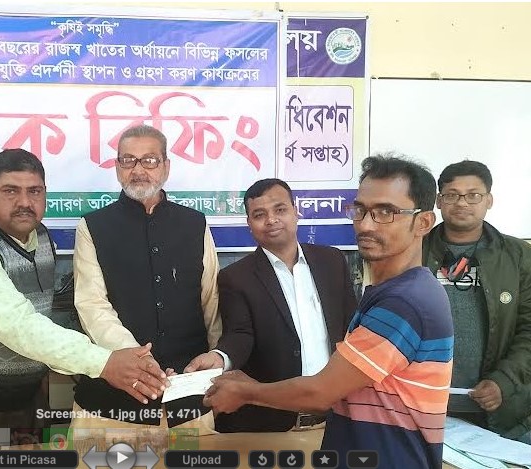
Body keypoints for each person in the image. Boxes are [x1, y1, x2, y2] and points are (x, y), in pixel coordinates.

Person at [204, 154, 454, 469]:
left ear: (424, 222)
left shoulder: (404, 302)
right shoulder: (396, 292)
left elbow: (321, 392)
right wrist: (224, 362)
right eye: (360, 210)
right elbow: (241, 334)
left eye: (385, 212)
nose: (365, 224)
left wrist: (246, 392)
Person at [0, 148, 167, 428]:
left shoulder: (40, 238)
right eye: (10, 191)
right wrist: (105, 363)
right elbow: (20, 325)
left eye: (35, 191)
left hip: (23, 400)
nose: (25, 202)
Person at [71, 124, 221, 434]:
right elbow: (92, 306)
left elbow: (212, 302)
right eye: (128, 160)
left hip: (189, 402)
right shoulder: (93, 226)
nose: (138, 170)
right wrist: (138, 360)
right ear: (117, 167)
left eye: (150, 160)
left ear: (166, 166)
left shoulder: (194, 223)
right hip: (112, 408)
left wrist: (216, 368)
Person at [211, 178, 357, 432]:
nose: (271, 220)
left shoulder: (332, 261)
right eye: (259, 215)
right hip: (273, 422)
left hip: (336, 417)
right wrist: (220, 357)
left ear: (295, 211)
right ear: (249, 224)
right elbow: (240, 335)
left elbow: (351, 327)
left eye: (280, 210)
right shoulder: (235, 277)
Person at [423, 160, 531, 443]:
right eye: (452, 195)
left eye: (473, 195)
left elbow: (529, 329)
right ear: (439, 201)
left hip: (498, 408)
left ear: (489, 200)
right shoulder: (414, 250)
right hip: (422, 404)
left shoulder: (518, 255)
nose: (462, 203)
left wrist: (503, 381)